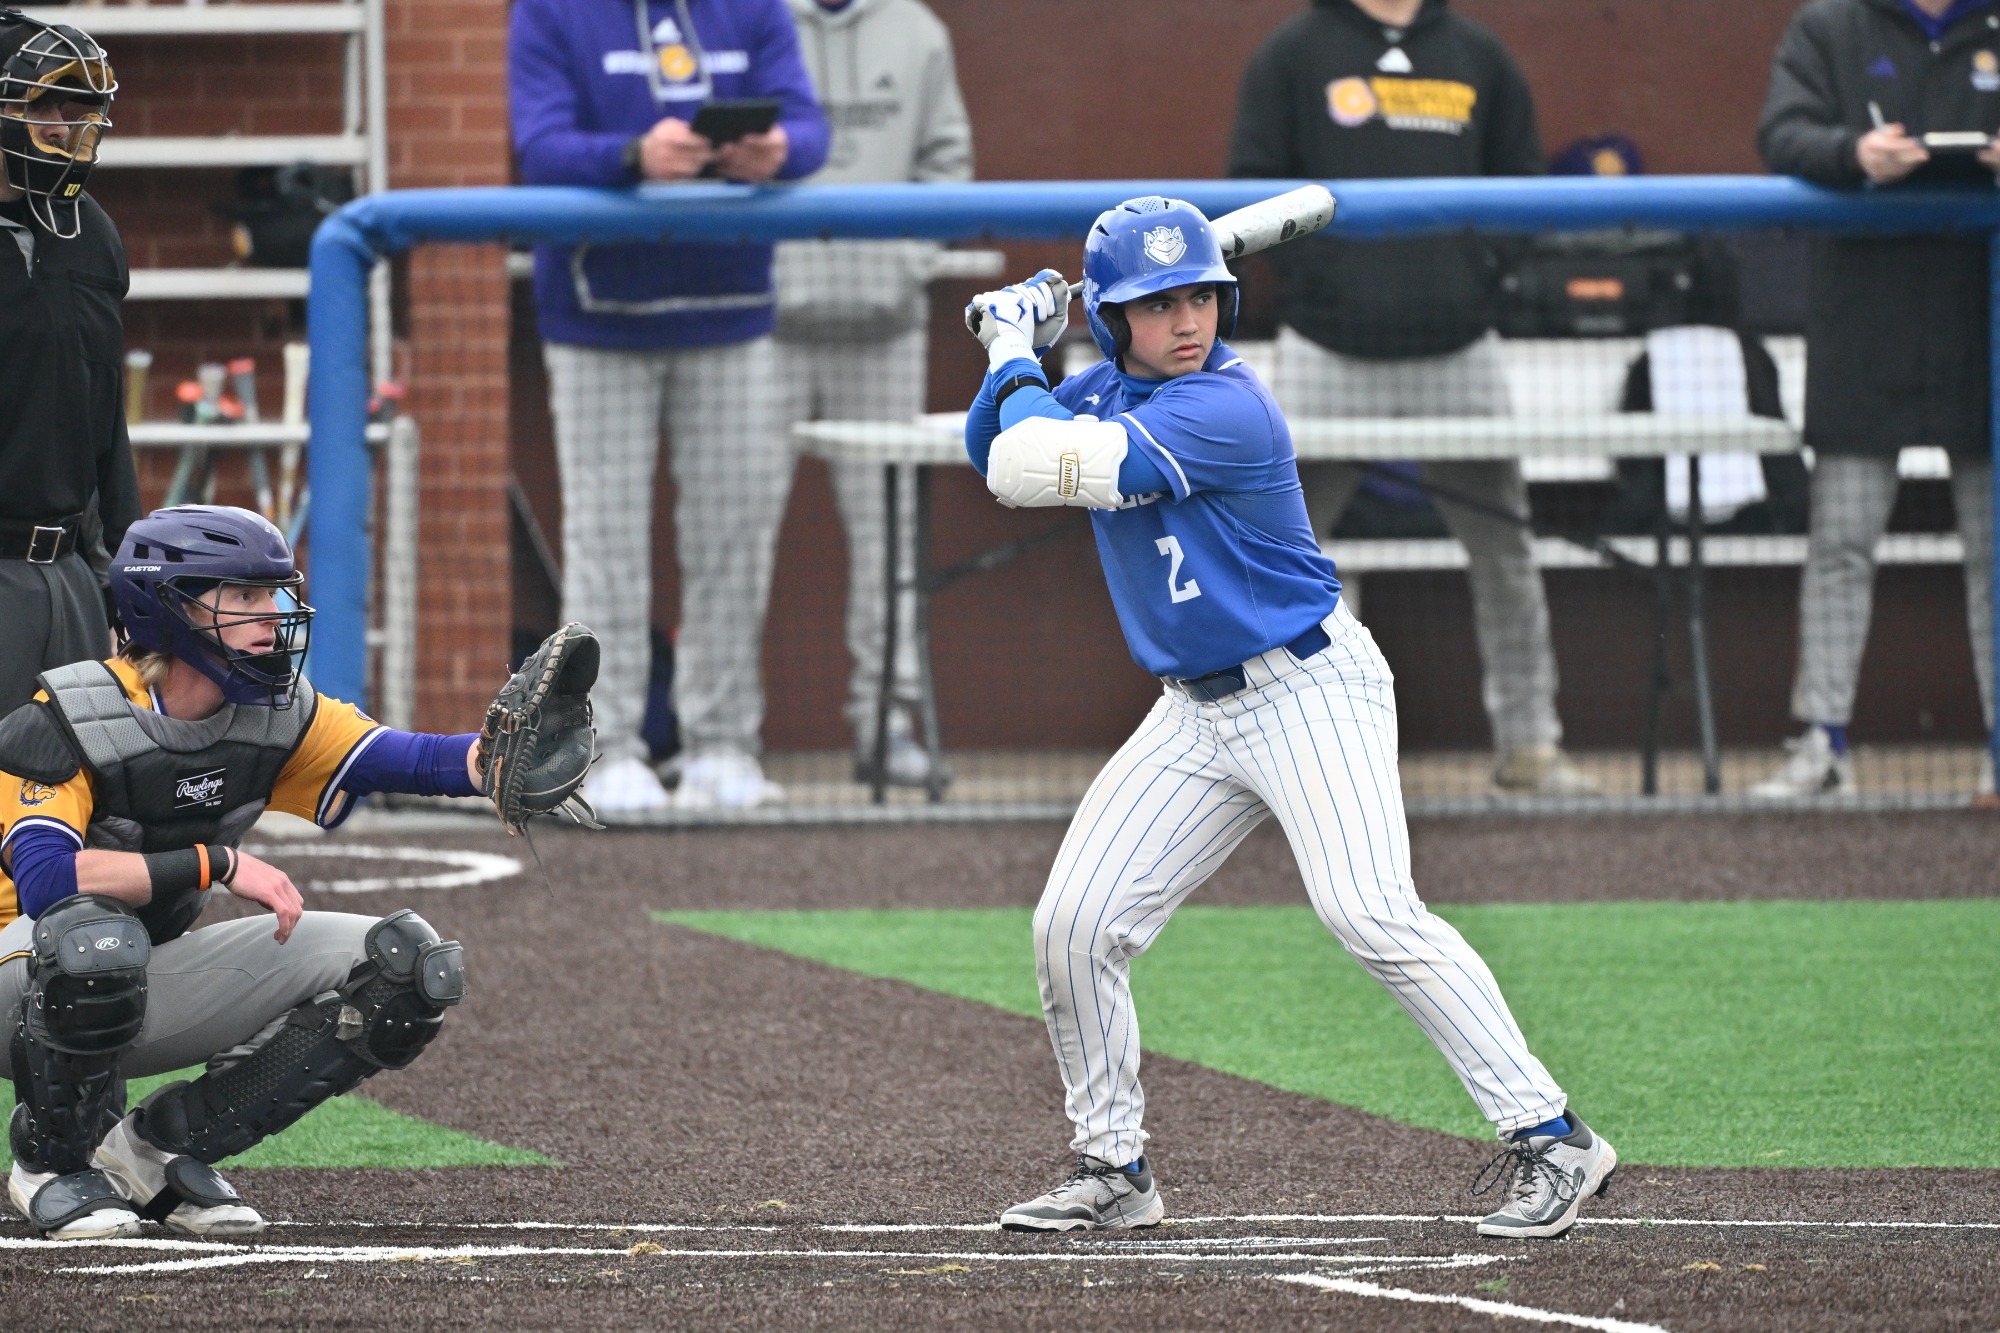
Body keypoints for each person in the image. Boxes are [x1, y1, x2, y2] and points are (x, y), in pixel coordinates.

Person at [962, 198, 1615, 1239]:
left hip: (1306, 689)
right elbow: (989, 449)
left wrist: (1009, 344)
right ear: (1112, 317)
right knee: (1072, 926)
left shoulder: (1223, 408)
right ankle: (1113, 1165)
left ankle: (1552, 1138)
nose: (1187, 320)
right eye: (1157, 303)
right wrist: (1022, 353)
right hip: (1190, 712)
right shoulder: (1097, 390)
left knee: (1367, 909)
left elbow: (1027, 464)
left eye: (1200, 298)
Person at [0, 505, 596, 1240]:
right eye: (244, 596)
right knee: (93, 939)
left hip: (125, 978)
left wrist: (493, 759)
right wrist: (213, 862)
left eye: (276, 594)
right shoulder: (64, 715)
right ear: (171, 606)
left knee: (406, 969)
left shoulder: (273, 713)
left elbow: (407, 757)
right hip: (18, 978)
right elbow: (49, 883)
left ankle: (157, 1149)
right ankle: (50, 1164)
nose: (272, 615)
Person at [1227, 0, 1597, 796]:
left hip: (1459, 345)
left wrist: (1474, 278)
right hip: (1327, 349)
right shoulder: (1292, 53)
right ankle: (1257, 756)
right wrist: (1322, 285)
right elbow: (1251, 190)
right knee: (1276, 554)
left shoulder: (1478, 55)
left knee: (1504, 551)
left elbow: (1524, 188)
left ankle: (1531, 746)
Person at [510, 0, 830, 811]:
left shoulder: (753, 8)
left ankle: (723, 745)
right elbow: (540, 147)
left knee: (732, 533)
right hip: (595, 314)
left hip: (731, 308)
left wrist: (777, 149)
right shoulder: (551, 10)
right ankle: (606, 745)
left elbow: (809, 128)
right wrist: (633, 154)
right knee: (605, 538)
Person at [1751, 0, 1999, 797]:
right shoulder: (1830, 25)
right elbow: (1781, 135)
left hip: (1984, 322)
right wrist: (1852, 150)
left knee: (1997, 555)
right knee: (1841, 544)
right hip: (1863, 324)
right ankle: (1822, 746)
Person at [775, 0, 970, 788]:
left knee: (889, 541)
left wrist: (902, 263)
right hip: (764, 326)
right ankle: (717, 737)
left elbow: (948, 166)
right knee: (728, 541)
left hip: (885, 325)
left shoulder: (919, 32)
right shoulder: (755, 23)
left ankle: (888, 720)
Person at [0, 11, 140, 718]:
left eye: (82, 108)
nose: (68, 124)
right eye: (48, 105)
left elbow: (104, 419)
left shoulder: (92, 231)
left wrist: (125, 569)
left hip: (73, 577)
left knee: (80, 801)